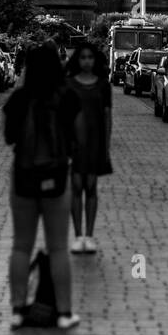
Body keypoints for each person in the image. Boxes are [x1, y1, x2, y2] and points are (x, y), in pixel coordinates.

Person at [3, 44, 82, 331]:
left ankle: (17, 310)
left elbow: (10, 138)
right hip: (57, 178)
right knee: (58, 247)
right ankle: (63, 313)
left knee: (21, 245)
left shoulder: (18, 99)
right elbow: (76, 139)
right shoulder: (67, 97)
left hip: (23, 177)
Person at [66, 43, 113, 255]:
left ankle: (90, 235)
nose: (87, 61)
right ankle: (78, 236)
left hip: (95, 142)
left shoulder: (103, 85)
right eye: (83, 57)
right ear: (78, 60)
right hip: (75, 143)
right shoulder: (69, 84)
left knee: (91, 187)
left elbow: (107, 115)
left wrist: (106, 144)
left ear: (95, 60)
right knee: (76, 186)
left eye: (90, 57)